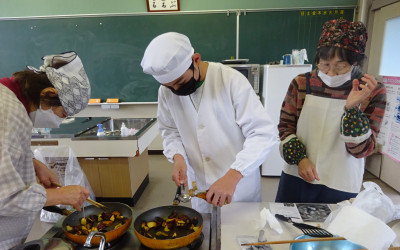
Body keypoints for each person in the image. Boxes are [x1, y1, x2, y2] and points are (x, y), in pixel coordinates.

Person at [141, 32, 277, 213]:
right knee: (205, 234)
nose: (176, 90)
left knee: (241, 236)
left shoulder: (230, 80)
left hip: (238, 186)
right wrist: (178, 157)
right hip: (200, 184)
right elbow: (170, 130)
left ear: (196, 60)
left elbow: (263, 134)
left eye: (180, 81)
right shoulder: (165, 92)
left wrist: (234, 175)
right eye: (169, 86)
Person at [275, 19, 387, 204]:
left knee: (333, 230)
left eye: (340, 66)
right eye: (325, 64)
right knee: (287, 228)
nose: (331, 73)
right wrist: (300, 159)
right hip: (297, 175)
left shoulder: (372, 89)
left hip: (340, 183)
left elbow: (362, 150)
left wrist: (351, 110)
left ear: (355, 62)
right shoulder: (301, 83)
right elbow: (285, 127)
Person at [0, 51, 91, 250]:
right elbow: (4, 198)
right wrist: (58, 195)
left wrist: (33, 162)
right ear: (48, 94)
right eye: (63, 114)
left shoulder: (10, 100)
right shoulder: (8, 115)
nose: (59, 122)